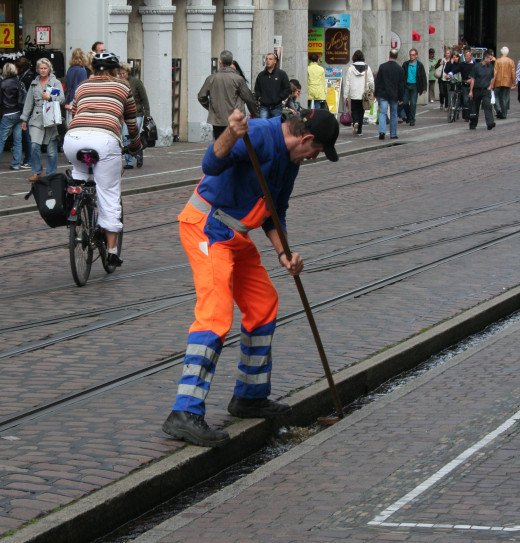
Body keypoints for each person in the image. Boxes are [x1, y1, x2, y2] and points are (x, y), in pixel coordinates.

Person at [162, 107, 340, 448]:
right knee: (215, 315)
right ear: (305, 139)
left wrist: (284, 252)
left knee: (263, 302)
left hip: (234, 237)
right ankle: (183, 412)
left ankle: (249, 397)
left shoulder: (291, 160)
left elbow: (275, 211)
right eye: (315, 152)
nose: (313, 158)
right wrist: (231, 132)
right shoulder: (257, 134)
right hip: (206, 227)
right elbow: (210, 164)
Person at [63, 52, 141, 267]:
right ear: (115, 69)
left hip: (74, 140)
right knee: (109, 192)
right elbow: (131, 124)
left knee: (81, 178)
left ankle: (77, 206)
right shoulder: (123, 87)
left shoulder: (82, 87)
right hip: (105, 141)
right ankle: (113, 251)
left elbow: (76, 112)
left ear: (93, 68)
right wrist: (135, 146)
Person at [20, 58, 65, 182]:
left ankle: (51, 174)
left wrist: (50, 97)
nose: (43, 70)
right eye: (41, 68)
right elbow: (29, 102)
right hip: (36, 118)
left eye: (45, 68)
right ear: (38, 69)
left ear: (49, 69)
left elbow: (61, 99)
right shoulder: (34, 84)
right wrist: (24, 119)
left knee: (51, 150)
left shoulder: (55, 83)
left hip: (51, 118)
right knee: (34, 145)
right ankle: (37, 171)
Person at [198, 50, 258, 139]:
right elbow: (249, 98)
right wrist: (255, 114)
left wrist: (211, 108)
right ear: (231, 62)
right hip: (234, 118)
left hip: (218, 119)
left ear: (220, 61)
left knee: (220, 146)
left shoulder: (211, 78)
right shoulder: (238, 79)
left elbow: (201, 96)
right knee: (235, 145)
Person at [119, 62, 150, 168]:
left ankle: (139, 154)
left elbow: (144, 99)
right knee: (125, 136)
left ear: (128, 72)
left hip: (137, 113)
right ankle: (129, 162)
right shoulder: (119, 83)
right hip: (124, 114)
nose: (122, 76)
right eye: (120, 74)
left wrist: (147, 114)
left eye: (123, 73)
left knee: (134, 136)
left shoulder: (136, 82)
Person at [374, 49, 405, 140]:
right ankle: (393, 134)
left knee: (383, 113)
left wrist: (376, 93)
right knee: (394, 114)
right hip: (394, 95)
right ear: (396, 57)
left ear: (389, 55)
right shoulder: (400, 69)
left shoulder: (383, 67)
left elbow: (378, 81)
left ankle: (382, 132)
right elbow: (401, 85)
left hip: (383, 93)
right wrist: (401, 97)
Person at [343, 49, 374, 136]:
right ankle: (359, 130)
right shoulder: (367, 68)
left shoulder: (350, 69)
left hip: (354, 93)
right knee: (361, 111)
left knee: (354, 110)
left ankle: (355, 122)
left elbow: (347, 82)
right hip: (363, 94)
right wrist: (372, 90)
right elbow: (371, 81)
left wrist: (345, 95)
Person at [0, 63, 24, 170]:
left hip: (7, 112)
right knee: (17, 140)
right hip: (19, 112)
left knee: (1, 139)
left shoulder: (3, 84)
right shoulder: (19, 82)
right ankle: (16, 163)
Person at [254, 52, 290, 119]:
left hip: (277, 106)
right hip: (264, 107)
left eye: (270, 59)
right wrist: (259, 98)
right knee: (263, 126)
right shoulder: (261, 75)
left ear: (275, 61)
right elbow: (257, 89)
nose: (268, 61)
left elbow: (287, 89)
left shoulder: (281, 74)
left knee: (275, 126)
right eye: (267, 59)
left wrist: (279, 98)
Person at [14, 56, 34, 169]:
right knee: (26, 135)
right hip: (26, 109)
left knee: (27, 135)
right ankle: (28, 158)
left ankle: (29, 159)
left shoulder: (27, 78)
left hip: (28, 109)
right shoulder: (27, 76)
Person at [468, 50, 496, 130]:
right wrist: (471, 91)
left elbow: (492, 77)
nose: (491, 60)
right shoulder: (477, 66)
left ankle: (490, 123)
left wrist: (491, 86)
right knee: (475, 106)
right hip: (477, 89)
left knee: (487, 105)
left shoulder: (490, 66)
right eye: (490, 59)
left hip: (486, 90)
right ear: (485, 58)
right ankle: (473, 123)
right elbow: (472, 79)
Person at [401, 48, 427, 126]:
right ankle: (408, 116)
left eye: (413, 55)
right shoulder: (405, 64)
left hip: (415, 86)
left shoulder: (419, 65)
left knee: (413, 103)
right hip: (406, 86)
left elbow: (423, 76)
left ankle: (412, 120)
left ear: (416, 56)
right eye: (410, 55)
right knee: (405, 103)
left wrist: (424, 87)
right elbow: (402, 75)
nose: (411, 56)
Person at [64, 48, 88, 126]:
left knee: (70, 124)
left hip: (70, 99)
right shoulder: (82, 70)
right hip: (78, 100)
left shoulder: (70, 69)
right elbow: (83, 87)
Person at [493, 46, 516, 119]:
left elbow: (495, 72)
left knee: (496, 96)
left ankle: (499, 109)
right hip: (507, 81)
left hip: (498, 81)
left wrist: (492, 82)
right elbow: (513, 73)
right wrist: (513, 82)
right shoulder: (511, 61)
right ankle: (504, 113)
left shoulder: (498, 61)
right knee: (505, 98)